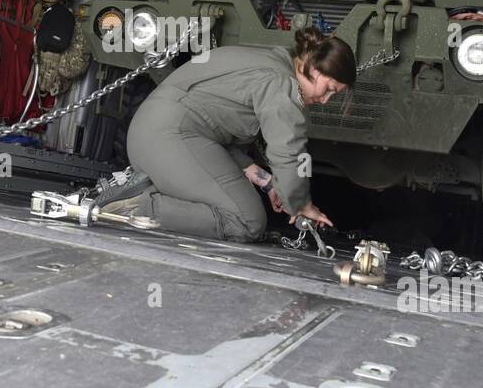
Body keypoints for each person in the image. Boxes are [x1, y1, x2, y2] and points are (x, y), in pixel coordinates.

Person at [99, 27, 355, 242]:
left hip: (152, 136)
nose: (325, 100)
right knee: (248, 221)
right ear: (315, 69)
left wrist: (268, 183)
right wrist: (301, 206)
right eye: (330, 89)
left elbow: (213, 130)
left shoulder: (268, 62)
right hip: (171, 138)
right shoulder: (281, 85)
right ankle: (138, 206)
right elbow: (288, 153)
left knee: (228, 203)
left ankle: (138, 190)